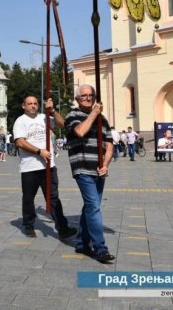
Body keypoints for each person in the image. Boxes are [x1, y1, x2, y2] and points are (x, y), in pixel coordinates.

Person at [13, 95, 77, 239]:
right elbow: (20, 142)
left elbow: (62, 124)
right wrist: (39, 151)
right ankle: (28, 224)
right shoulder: (20, 121)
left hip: (48, 166)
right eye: (30, 104)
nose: (33, 106)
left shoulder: (44, 117)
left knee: (53, 198)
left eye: (35, 103)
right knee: (29, 198)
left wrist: (53, 110)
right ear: (24, 106)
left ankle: (62, 228)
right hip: (29, 167)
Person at [65, 84, 115, 263]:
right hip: (83, 167)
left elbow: (109, 143)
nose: (88, 98)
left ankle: (81, 243)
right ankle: (100, 248)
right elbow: (79, 131)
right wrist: (94, 113)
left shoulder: (103, 119)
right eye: (84, 96)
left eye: (90, 95)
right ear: (77, 99)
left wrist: (106, 164)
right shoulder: (73, 116)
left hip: (99, 169)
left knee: (90, 207)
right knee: (94, 206)